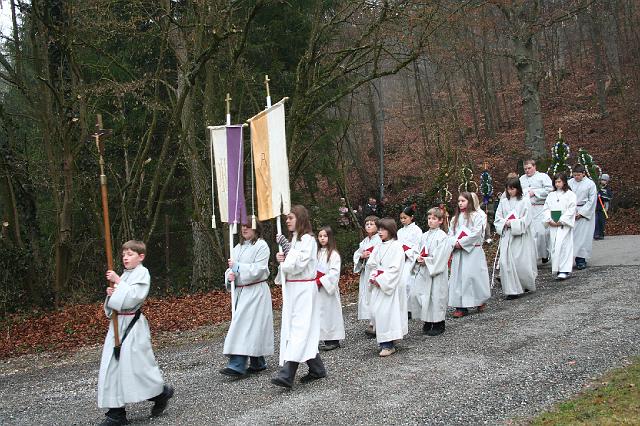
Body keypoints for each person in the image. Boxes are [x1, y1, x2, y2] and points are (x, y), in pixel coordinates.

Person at [98, 240, 174, 426]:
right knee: (112, 368)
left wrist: (118, 282)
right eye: (124, 254)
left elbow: (134, 298)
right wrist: (110, 294)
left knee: (137, 370)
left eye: (130, 254)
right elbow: (114, 305)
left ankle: (160, 393)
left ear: (141, 257)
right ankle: (116, 414)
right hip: (117, 325)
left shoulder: (142, 273)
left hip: (132, 326)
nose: (125, 257)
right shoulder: (125, 274)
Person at [272, 205, 326, 388]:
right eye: (286, 218)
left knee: (299, 329)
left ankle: (288, 373)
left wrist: (287, 252)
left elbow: (301, 263)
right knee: (297, 329)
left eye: (291, 218)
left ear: (300, 219)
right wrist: (283, 258)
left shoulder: (309, 240)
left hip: (304, 288)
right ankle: (317, 368)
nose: (287, 221)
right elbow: (288, 265)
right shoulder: (294, 239)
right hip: (293, 290)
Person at [220, 222, 273, 377]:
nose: (244, 229)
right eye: (242, 226)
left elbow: (259, 270)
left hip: (256, 291)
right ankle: (258, 362)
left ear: (256, 228)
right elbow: (232, 268)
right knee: (251, 327)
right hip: (242, 292)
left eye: (248, 226)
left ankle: (237, 364)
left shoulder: (262, 246)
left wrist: (237, 268)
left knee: (244, 326)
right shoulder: (237, 248)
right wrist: (229, 276)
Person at [408, 207, 453, 336]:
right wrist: (418, 257)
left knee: (436, 296)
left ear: (440, 221)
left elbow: (441, 256)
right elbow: (417, 250)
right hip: (424, 271)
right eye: (429, 218)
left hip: (436, 271)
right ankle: (427, 320)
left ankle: (439, 323)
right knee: (421, 295)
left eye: (434, 218)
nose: (430, 221)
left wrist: (427, 261)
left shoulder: (443, 237)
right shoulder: (424, 236)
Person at [367, 218, 407, 356]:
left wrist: (382, 278)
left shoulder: (397, 247)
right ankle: (384, 341)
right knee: (377, 312)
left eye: (383, 229)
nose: (379, 232)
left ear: (390, 230)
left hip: (389, 286)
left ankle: (388, 344)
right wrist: (374, 275)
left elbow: (395, 268)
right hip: (379, 284)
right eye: (379, 229)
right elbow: (371, 263)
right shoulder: (378, 246)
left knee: (387, 313)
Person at [448, 192, 491, 317]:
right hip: (459, 252)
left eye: (463, 201)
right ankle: (461, 306)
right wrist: (454, 242)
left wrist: (461, 243)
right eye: (459, 201)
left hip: (472, 252)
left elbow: (477, 233)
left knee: (473, 276)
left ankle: (479, 300)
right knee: (459, 278)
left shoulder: (477, 216)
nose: (460, 203)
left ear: (470, 202)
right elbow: (450, 233)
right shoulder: (455, 218)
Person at [494, 178, 538, 299]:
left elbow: (527, 219)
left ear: (517, 188)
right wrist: (505, 223)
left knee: (520, 263)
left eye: (512, 189)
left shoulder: (524, 201)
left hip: (520, 237)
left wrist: (513, 224)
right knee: (505, 263)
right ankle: (512, 290)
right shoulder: (503, 202)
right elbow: (498, 218)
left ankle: (525, 284)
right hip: (507, 235)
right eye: (508, 189)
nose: (510, 191)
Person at [316, 226, 345, 351]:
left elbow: (334, 272)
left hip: (328, 289)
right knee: (320, 314)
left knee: (330, 313)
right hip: (317, 290)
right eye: (320, 236)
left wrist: (321, 280)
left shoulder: (333, 254)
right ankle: (322, 337)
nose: (322, 238)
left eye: (325, 236)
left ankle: (333, 339)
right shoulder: (315, 253)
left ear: (330, 237)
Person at [544, 173, 577, 280]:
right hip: (553, 223)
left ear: (564, 182)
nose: (557, 184)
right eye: (556, 182)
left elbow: (571, 209)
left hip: (564, 224)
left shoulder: (570, 194)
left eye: (559, 181)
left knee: (564, 245)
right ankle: (557, 268)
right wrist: (549, 219)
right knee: (554, 246)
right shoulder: (551, 195)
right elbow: (546, 208)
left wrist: (562, 220)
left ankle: (565, 269)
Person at [519, 160, 554, 263]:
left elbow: (550, 190)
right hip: (528, 209)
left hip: (540, 207)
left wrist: (535, 192)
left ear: (534, 167)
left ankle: (545, 253)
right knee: (531, 234)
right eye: (525, 169)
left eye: (529, 168)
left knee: (542, 233)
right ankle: (533, 257)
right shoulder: (521, 179)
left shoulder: (543, 177)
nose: (527, 171)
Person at [353, 215, 382, 337]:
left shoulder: (380, 240)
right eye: (367, 224)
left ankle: (377, 323)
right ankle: (372, 321)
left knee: (375, 296)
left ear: (377, 226)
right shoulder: (364, 242)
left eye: (372, 224)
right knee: (367, 297)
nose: (369, 226)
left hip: (375, 271)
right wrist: (361, 256)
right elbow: (357, 255)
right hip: (366, 272)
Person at [568, 164, 598, 269]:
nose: (576, 177)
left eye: (578, 175)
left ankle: (581, 260)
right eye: (574, 175)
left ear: (583, 174)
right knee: (571, 238)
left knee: (583, 238)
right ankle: (568, 260)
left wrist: (581, 213)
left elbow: (592, 200)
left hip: (584, 212)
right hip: (571, 211)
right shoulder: (569, 182)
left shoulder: (590, 184)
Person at [398, 206, 422, 313]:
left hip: (410, 259)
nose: (403, 220)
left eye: (405, 218)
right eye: (401, 218)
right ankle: (402, 307)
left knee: (408, 283)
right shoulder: (399, 232)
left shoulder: (417, 230)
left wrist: (408, 252)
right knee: (399, 283)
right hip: (400, 259)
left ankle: (410, 309)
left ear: (411, 217)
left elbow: (418, 245)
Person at [594, 174, 613, 240]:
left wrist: (601, 196)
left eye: (604, 180)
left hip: (603, 208)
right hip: (596, 207)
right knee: (595, 221)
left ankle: (601, 234)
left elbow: (609, 197)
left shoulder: (607, 189)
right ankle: (596, 234)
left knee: (601, 221)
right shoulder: (597, 187)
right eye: (602, 180)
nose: (603, 181)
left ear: (607, 181)